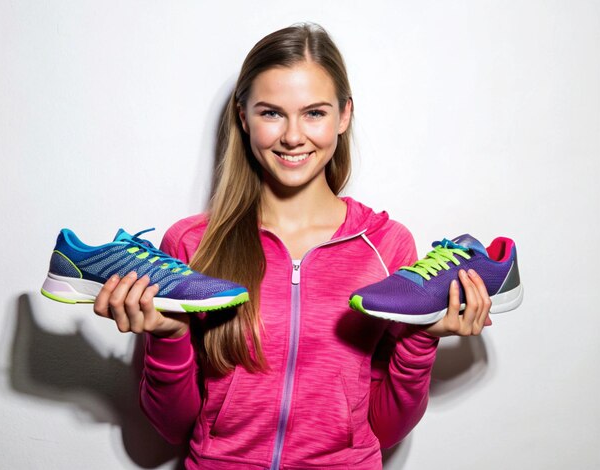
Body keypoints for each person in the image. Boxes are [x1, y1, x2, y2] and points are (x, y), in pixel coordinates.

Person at [93, 23, 492, 470]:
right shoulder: (192, 244)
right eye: (272, 113)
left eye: (314, 113)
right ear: (243, 117)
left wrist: (419, 341)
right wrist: (169, 337)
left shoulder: (386, 245)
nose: (293, 136)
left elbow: (385, 429)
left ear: (344, 116)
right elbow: (175, 427)